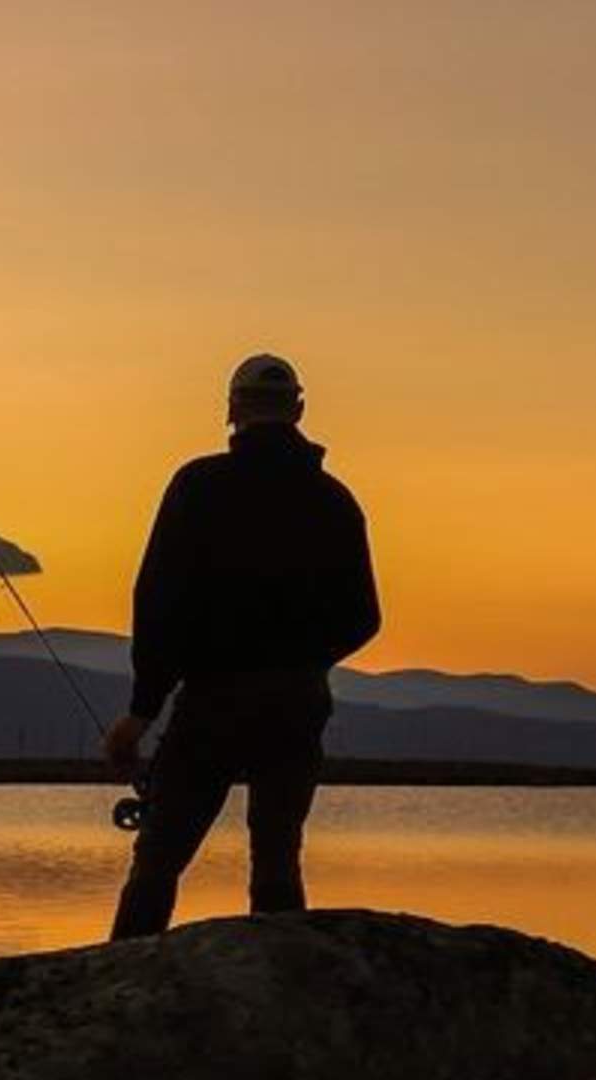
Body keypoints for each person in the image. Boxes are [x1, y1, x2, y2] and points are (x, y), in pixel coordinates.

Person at [105, 353, 380, 940]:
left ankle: (117, 989)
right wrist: (304, 662)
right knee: (277, 862)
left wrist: (141, 711)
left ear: (232, 410)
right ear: (298, 411)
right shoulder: (334, 501)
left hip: (212, 701)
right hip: (296, 704)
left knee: (158, 862)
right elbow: (364, 617)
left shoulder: (197, 487)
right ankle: (287, 1007)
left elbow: (157, 601)